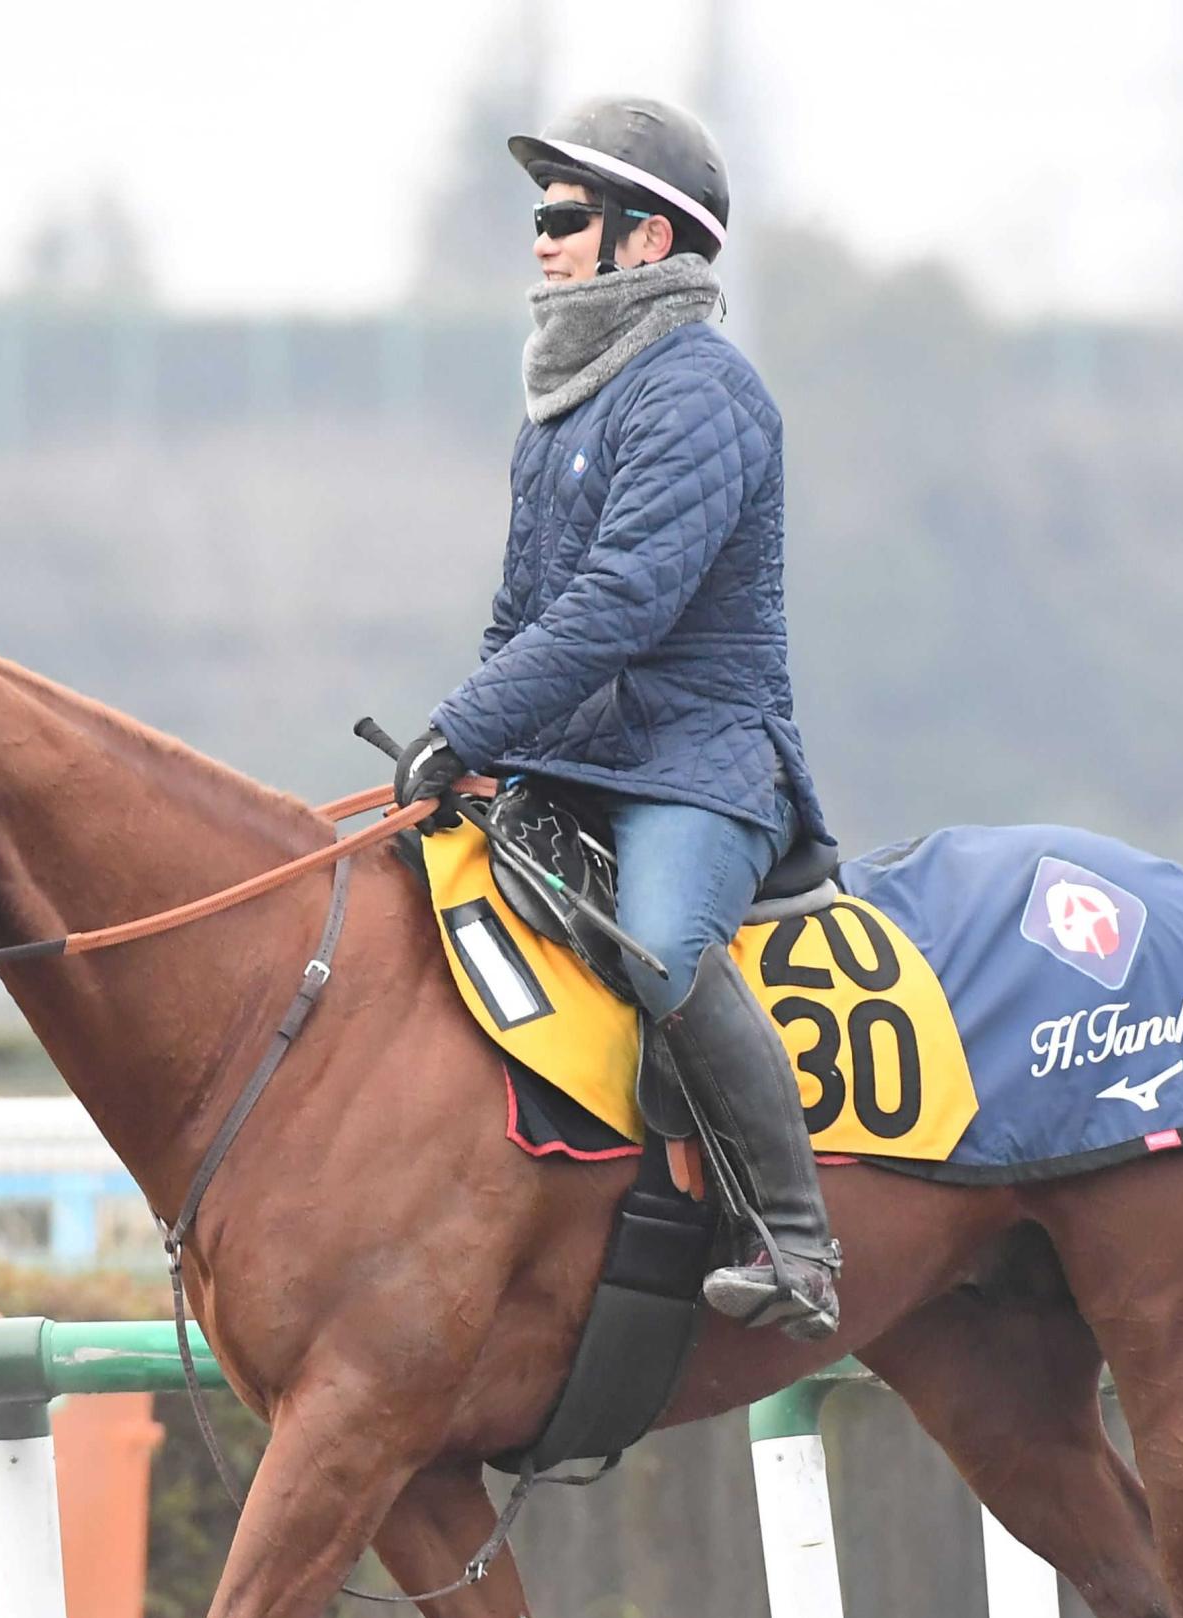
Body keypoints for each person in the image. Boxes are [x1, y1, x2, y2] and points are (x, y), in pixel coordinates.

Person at [393, 94, 841, 1339]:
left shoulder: (702, 390)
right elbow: (517, 617)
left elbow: (620, 602)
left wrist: (467, 723)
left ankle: (795, 1241)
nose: (539, 240)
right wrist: (464, 754)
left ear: (646, 239)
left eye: (564, 218)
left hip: (698, 764)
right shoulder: (560, 408)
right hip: (572, 760)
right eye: (538, 218)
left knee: (657, 951)